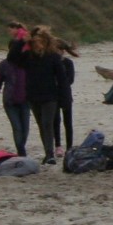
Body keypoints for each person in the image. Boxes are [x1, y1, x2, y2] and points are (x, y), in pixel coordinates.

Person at [20, 25, 78, 164]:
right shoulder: (27, 57)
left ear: (46, 42)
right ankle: (48, 152)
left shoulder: (53, 57)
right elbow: (12, 57)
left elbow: (63, 80)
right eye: (35, 42)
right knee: (41, 124)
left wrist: (65, 99)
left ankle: (51, 154)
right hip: (33, 96)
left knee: (47, 123)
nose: (38, 45)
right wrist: (22, 41)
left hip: (51, 96)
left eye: (40, 42)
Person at [0, 24, 33, 157]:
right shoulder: (4, 65)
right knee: (17, 128)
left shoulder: (27, 62)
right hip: (10, 101)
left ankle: (21, 148)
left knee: (25, 129)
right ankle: (21, 152)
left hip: (25, 100)